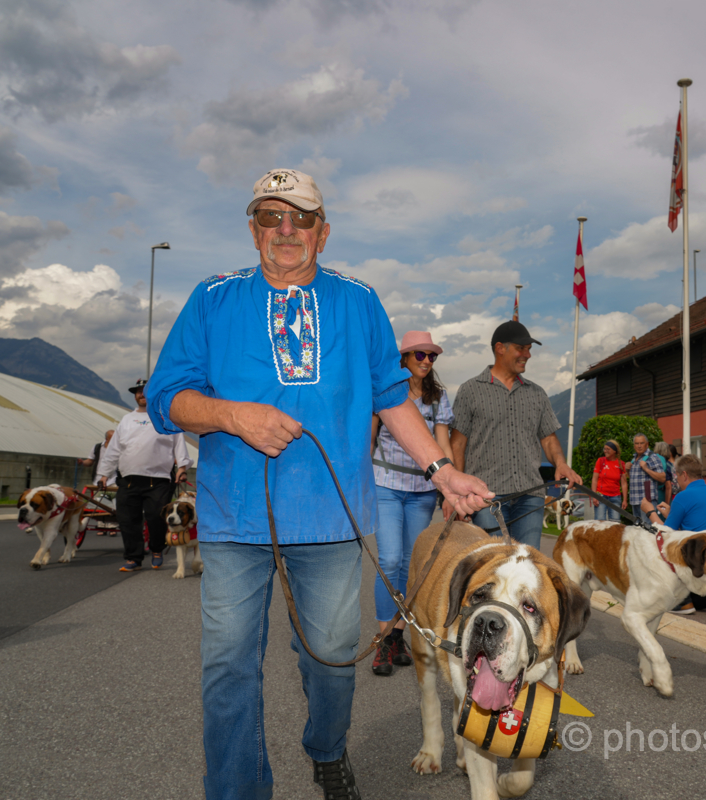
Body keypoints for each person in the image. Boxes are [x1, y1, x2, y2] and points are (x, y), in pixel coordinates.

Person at [144, 168, 492, 800]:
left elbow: (392, 396)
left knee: (330, 659)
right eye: (270, 216)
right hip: (233, 515)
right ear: (253, 230)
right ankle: (237, 790)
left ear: (322, 233)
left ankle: (328, 750)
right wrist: (232, 415)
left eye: (301, 218)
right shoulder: (212, 298)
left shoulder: (359, 301)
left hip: (331, 517)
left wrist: (442, 472)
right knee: (228, 666)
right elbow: (168, 397)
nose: (286, 229)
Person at [450, 319, 581, 549]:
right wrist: (457, 494)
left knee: (527, 563)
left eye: (529, 350)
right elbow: (457, 446)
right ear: (500, 348)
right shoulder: (470, 390)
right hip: (485, 497)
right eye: (521, 348)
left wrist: (561, 463)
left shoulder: (537, 393)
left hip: (530, 495)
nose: (527, 355)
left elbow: (548, 438)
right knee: (493, 563)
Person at [369, 330, 454, 677]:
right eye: (419, 354)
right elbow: (370, 438)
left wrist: (450, 488)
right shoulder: (387, 391)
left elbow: (443, 446)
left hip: (422, 491)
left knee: (410, 565)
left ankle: (397, 636)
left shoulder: (438, 398)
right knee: (389, 560)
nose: (426, 361)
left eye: (432, 355)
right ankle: (383, 638)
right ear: (403, 358)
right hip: (386, 485)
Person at [97, 380, 191, 571]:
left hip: (158, 480)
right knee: (128, 520)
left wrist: (182, 466)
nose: (142, 394)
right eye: (138, 392)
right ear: (135, 396)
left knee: (157, 518)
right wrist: (104, 474)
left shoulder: (165, 417)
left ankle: (156, 550)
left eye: (146, 391)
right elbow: (114, 449)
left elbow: (179, 443)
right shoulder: (126, 420)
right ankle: (133, 558)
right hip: (128, 480)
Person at [641, 454, 706, 615]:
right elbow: (697, 525)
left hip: (700, 571)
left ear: (684, 475)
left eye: (676, 475)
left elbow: (664, 534)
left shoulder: (682, 497)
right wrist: (672, 513)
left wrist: (649, 512)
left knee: (660, 548)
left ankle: (683, 602)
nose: (676, 480)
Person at [627, 433, 667, 525]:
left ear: (647, 444)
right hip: (635, 500)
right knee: (637, 529)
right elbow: (635, 479)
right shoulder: (634, 458)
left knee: (648, 529)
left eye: (642, 443)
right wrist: (628, 471)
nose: (639, 446)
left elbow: (662, 477)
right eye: (637, 443)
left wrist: (646, 469)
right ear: (634, 445)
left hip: (647, 501)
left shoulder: (652, 457)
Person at [590, 440, 627, 521]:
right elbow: (594, 479)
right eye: (604, 449)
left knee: (615, 523)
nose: (605, 451)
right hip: (601, 496)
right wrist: (594, 496)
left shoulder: (621, 464)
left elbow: (624, 483)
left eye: (608, 449)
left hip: (615, 497)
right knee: (600, 522)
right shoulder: (600, 461)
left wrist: (624, 500)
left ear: (614, 451)